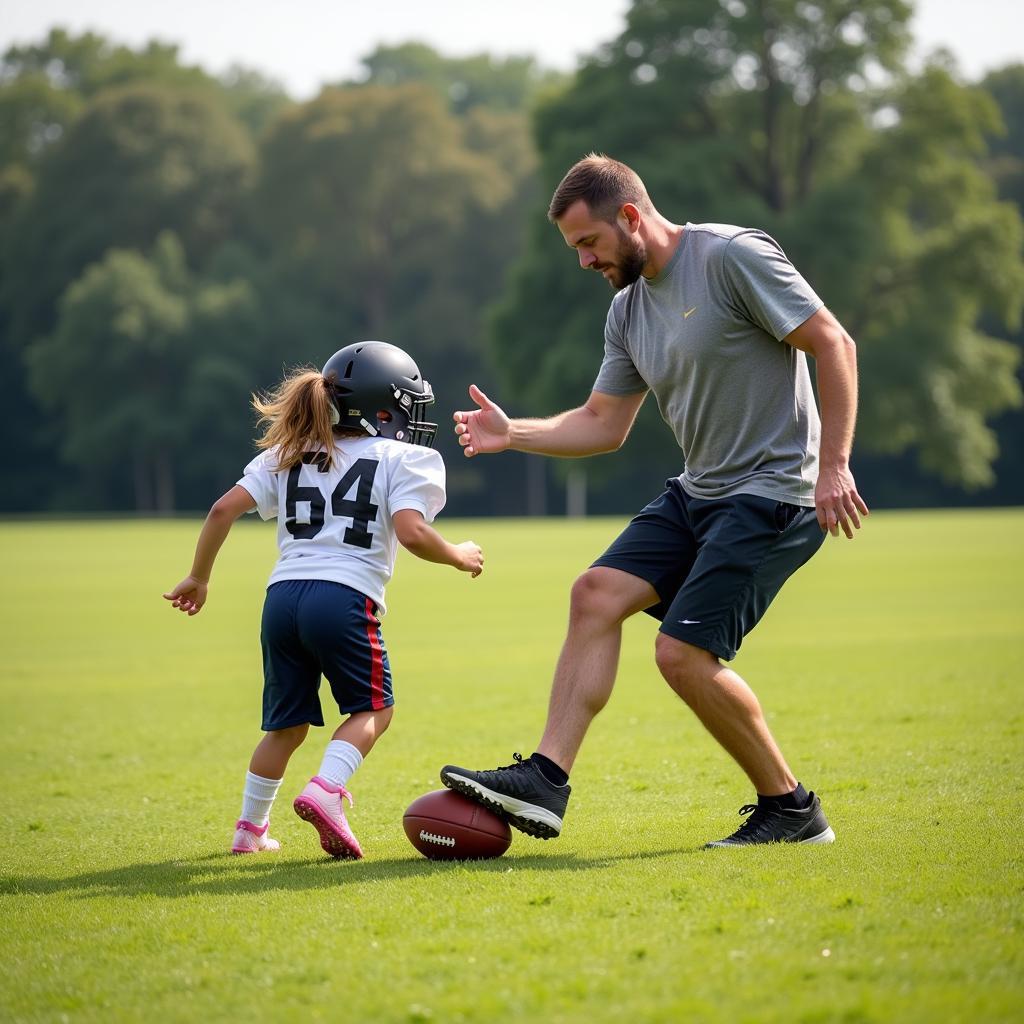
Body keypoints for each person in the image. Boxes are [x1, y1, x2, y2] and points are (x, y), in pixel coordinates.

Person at [440, 154, 868, 847]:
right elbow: (603, 423)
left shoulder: (731, 257)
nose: (583, 261)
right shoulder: (628, 310)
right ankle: (547, 779)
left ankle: (791, 808)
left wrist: (835, 465)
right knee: (595, 593)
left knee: (681, 656)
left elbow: (833, 342)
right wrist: (511, 432)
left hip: (774, 494)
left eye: (589, 243)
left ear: (631, 218)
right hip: (702, 490)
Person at [164, 341, 483, 859]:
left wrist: (199, 578)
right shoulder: (405, 458)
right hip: (344, 599)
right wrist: (460, 555)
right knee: (374, 711)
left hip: (281, 600)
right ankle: (327, 791)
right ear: (384, 407)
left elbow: (223, 509)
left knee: (285, 726)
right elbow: (413, 533)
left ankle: (249, 829)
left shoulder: (288, 453)